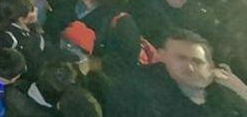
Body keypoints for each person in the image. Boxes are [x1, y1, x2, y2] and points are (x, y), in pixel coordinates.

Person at [106, 29, 247, 116]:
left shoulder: (222, 94)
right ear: (162, 55)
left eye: (197, 62)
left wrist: (240, 90)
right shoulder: (135, 89)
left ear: (209, 66)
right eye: (181, 58)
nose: (190, 67)